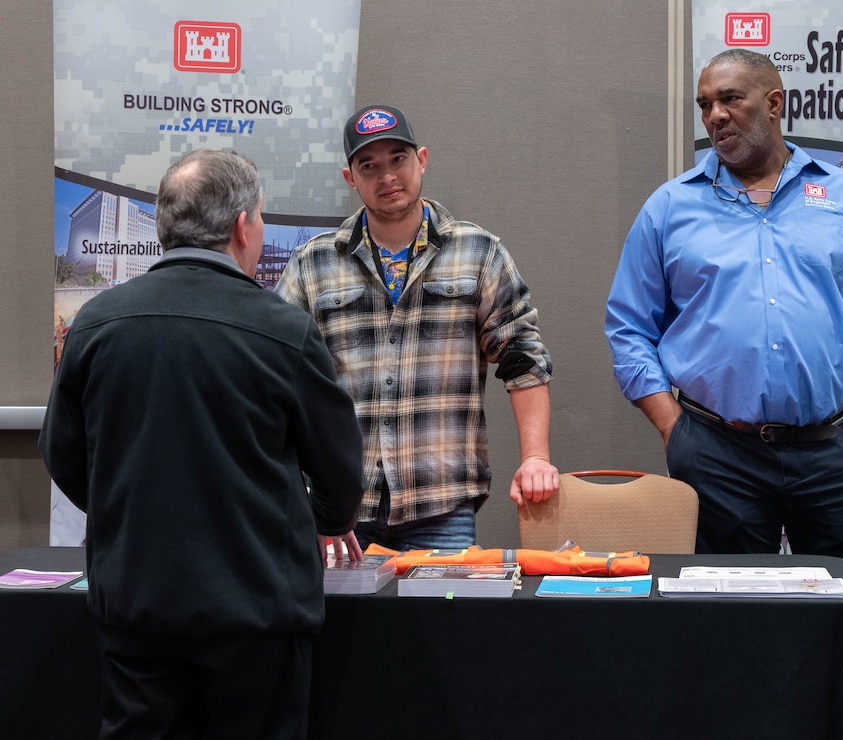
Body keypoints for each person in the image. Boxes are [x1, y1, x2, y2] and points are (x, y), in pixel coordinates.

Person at [604, 49, 843, 738]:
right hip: (718, 454)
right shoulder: (670, 207)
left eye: (730, 99)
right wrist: (672, 428)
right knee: (725, 633)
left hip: (837, 447)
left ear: (774, 104)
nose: (715, 115)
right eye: (705, 105)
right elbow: (627, 327)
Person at [39, 149, 366, 739]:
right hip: (258, 610)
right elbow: (340, 469)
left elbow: (61, 454)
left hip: (135, 605)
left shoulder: (93, 324)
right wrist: (324, 517)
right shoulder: (284, 330)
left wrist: (127, 512)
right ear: (244, 226)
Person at [276, 104, 558, 551]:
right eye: (369, 165)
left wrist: (536, 458)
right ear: (351, 178)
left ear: (421, 159)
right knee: (345, 624)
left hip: (441, 506)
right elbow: (278, 378)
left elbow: (523, 358)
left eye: (398, 159)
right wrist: (309, 497)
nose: (387, 175)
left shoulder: (478, 253)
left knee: (438, 622)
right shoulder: (314, 264)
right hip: (341, 511)